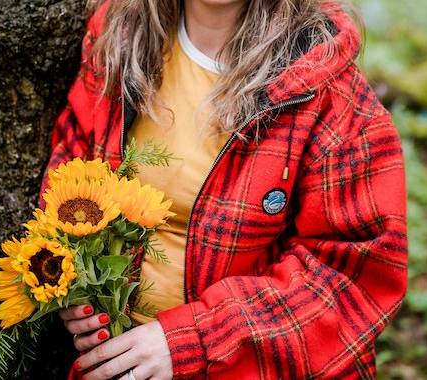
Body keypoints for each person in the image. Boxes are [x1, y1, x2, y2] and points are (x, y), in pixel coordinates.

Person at [43, 0, 408, 379]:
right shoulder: (120, 34)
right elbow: (74, 151)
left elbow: (352, 276)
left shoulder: (329, 89)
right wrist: (71, 280)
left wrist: (192, 343)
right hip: (115, 361)